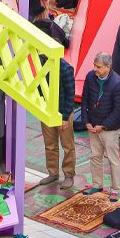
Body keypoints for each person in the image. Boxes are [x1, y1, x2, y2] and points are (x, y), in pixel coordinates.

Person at [37, 19, 77, 190]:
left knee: (67, 145)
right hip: (46, 110)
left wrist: (66, 117)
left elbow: (70, 95)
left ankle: (69, 174)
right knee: (50, 144)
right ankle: (52, 172)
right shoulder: (40, 63)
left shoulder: (65, 69)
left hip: (62, 113)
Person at [81, 52, 120, 200]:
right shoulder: (90, 77)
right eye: (94, 65)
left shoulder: (118, 83)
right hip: (93, 126)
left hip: (109, 130)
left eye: (98, 67)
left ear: (108, 67)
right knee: (95, 157)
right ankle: (97, 184)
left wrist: (103, 126)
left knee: (113, 159)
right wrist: (86, 121)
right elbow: (85, 100)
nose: (95, 69)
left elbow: (118, 111)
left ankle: (115, 190)